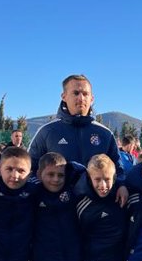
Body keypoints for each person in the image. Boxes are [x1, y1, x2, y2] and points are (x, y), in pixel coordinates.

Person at [27, 75, 127, 204]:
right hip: (57, 208)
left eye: (85, 94)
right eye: (75, 93)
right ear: (64, 96)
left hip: (94, 207)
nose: (81, 98)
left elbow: (118, 168)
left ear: (92, 98)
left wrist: (121, 185)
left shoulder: (105, 134)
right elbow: (30, 168)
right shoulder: (47, 131)